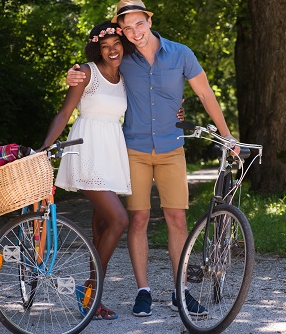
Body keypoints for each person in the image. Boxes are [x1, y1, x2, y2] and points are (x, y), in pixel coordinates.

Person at [66, 0, 238, 318]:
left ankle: (180, 291)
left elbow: (205, 93)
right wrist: (73, 73)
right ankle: (142, 291)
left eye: (139, 24)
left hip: (172, 148)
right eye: (127, 28)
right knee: (139, 220)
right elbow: (93, 69)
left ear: (149, 19)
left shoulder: (180, 53)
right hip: (134, 149)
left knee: (177, 219)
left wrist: (226, 135)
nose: (134, 32)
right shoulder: (123, 57)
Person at [41, 20, 185, 320]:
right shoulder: (86, 73)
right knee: (119, 220)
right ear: (97, 49)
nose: (111, 50)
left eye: (116, 45)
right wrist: (44, 148)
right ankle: (89, 289)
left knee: (102, 228)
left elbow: (148, 101)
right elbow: (64, 112)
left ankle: (94, 299)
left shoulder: (124, 78)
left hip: (111, 152)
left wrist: (176, 110)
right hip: (87, 150)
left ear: (124, 45)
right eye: (104, 47)